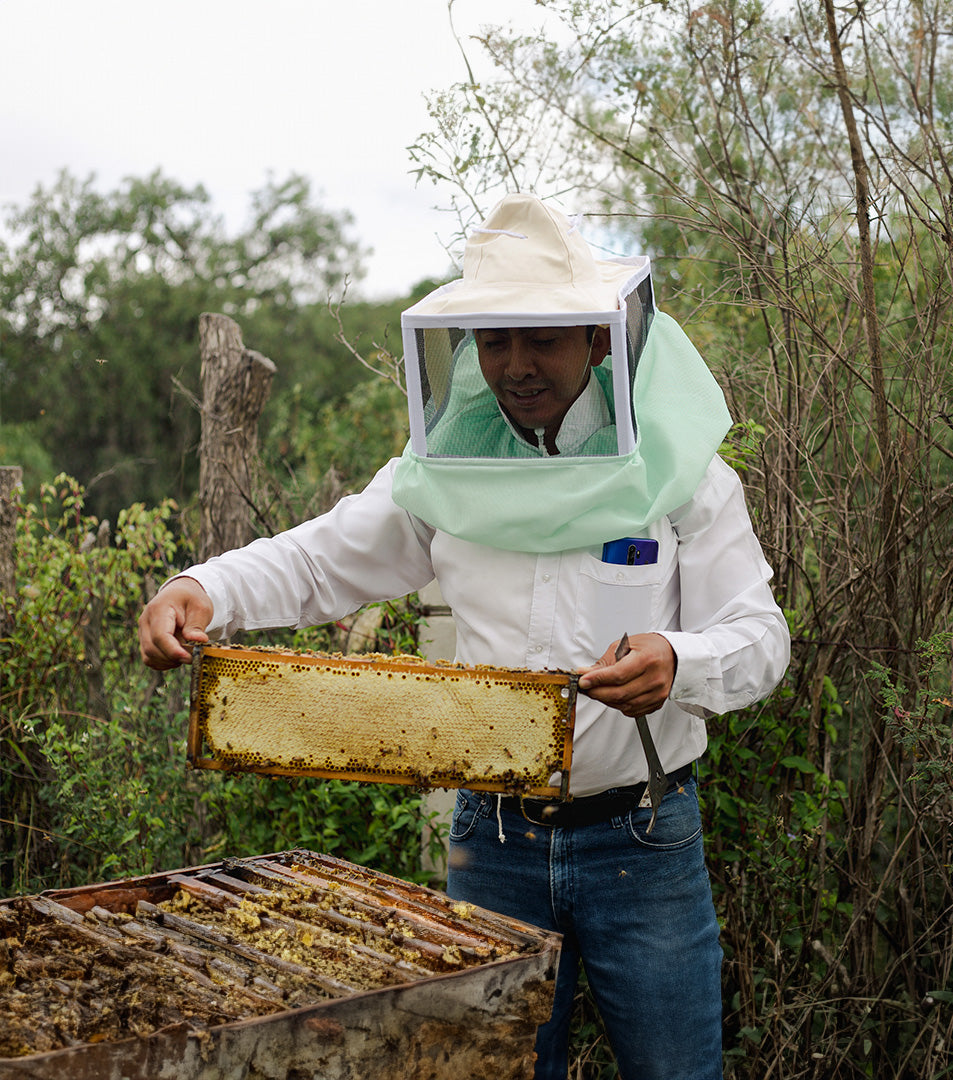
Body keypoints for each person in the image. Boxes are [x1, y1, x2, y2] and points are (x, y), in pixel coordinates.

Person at [139, 193, 789, 1080]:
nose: (515, 365)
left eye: (540, 338)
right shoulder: (448, 467)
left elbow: (759, 636)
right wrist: (202, 585)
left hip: (644, 837)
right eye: (494, 341)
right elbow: (322, 558)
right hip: (493, 841)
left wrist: (682, 661)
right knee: (493, 1071)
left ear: (599, 339)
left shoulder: (679, 475)